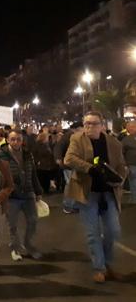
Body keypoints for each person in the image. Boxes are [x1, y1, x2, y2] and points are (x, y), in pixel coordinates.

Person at [64, 111, 127, 283]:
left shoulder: (113, 142)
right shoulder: (77, 139)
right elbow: (69, 159)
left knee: (113, 231)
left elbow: (122, 165)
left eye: (93, 123)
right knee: (92, 233)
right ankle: (100, 268)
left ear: (102, 125)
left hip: (108, 193)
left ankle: (107, 264)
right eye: (86, 123)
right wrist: (89, 168)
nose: (89, 127)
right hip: (87, 193)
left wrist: (120, 179)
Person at [0, 129, 44, 261]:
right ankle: (15, 248)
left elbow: (33, 173)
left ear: (22, 140)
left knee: (33, 220)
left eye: (18, 139)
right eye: (12, 139)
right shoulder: (2, 155)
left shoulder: (28, 154)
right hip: (11, 196)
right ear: (7, 140)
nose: (16, 142)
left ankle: (29, 245)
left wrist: (38, 190)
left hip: (28, 192)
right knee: (12, 224)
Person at [54, 121, 83, 213]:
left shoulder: (74, 136)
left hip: (72, 164)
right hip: (69, 165)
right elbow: (59, 146)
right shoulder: (69, 136)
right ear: (78, 129)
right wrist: (58, 158)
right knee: (70, 185)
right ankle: (68, 206)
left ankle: (72, 204)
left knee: (73, 185)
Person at [121, 120, 136, 204]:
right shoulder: (126, 140)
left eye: (133, 127)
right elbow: (121, 153)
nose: (130, 129)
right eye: (129, 127)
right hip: (132, 165)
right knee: (134, 183)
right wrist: (125, 165)